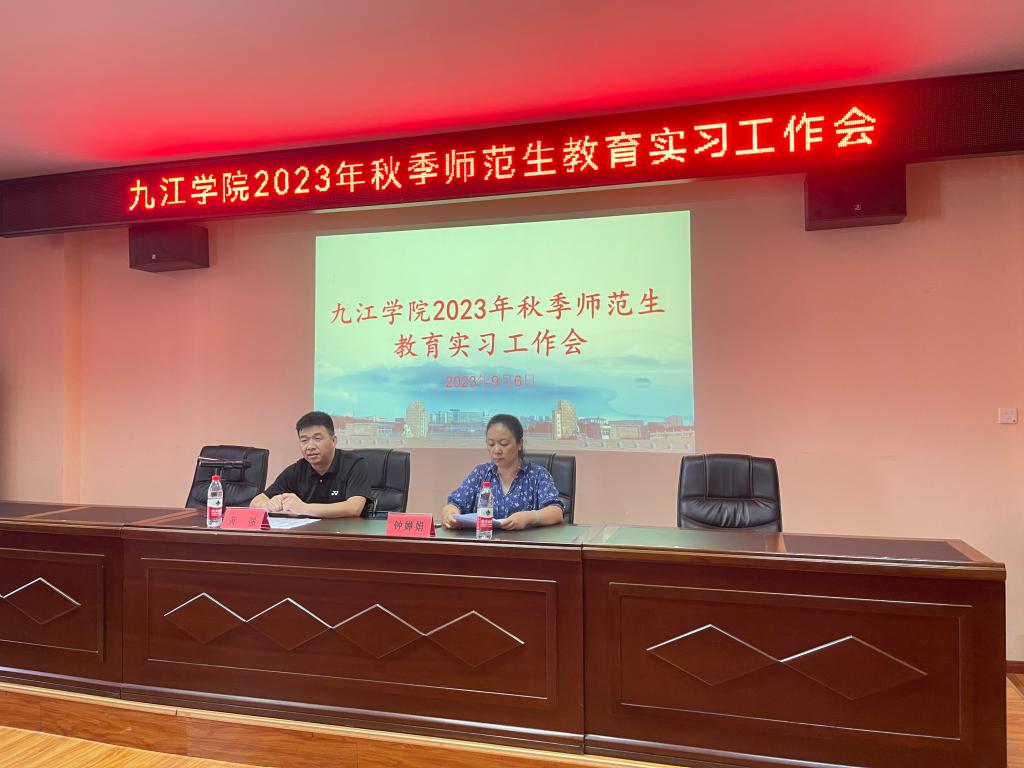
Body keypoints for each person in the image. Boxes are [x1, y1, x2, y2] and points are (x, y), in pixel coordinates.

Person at [441, 413, 565, 530]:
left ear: (520, 444)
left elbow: (556, 512)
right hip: (485, 541)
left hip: (525, 543)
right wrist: (450, 514)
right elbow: (454, 504)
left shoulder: (538, 475)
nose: (496, 450)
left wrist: (529, 517)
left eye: (504, 444)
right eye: (491, 444)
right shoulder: (481, 473)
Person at [250, 411, 370, 518]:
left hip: (344, 533)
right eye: (304, 440)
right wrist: (267, 505)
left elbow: (354, 508)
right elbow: (256, 501)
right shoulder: (296, 470)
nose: (310, 446)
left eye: (317, 439)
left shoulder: (354, 465)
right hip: (308, 534)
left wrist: (303, 508)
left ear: (333, 440)